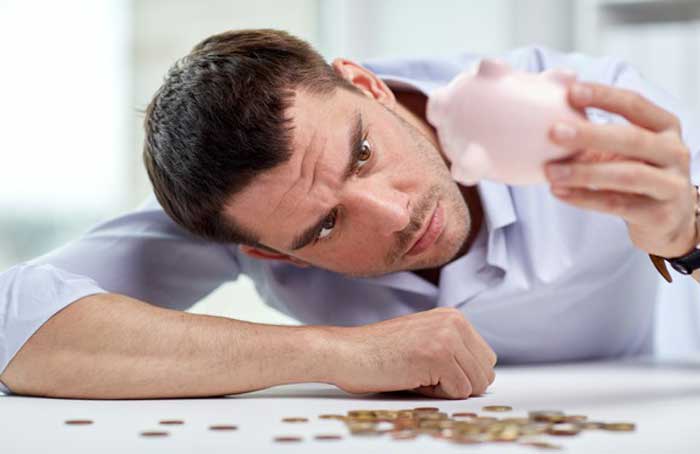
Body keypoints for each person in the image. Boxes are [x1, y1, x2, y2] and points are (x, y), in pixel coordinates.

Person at [1, 29, 698, 400]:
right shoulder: (242, 219)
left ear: (366, 83)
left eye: (362, 153)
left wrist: (690, 236)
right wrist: (340, 353)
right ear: (272, 254)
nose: (396, 213)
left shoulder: (581, 107)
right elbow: (13, 322)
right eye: (325, 227)